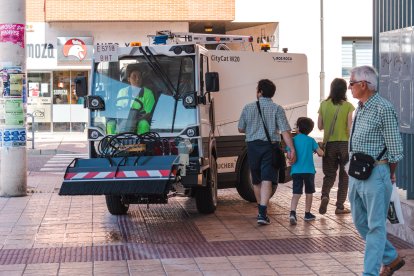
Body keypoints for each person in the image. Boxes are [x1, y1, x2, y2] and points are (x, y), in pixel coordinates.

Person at [348, 66, 404, 276]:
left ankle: (369, 273)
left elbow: (395, 149)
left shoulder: (383, 108)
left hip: (376, 174)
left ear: (364, 84)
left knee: (375, 227)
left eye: (351, 83)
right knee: (360, 223)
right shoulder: (360, 108)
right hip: (356, 173)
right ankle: (391, 258)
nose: (349, 87)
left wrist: (389, 173)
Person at [238, 79, 296, 225]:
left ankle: (261, 212)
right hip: (270, 147)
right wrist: (291, 149)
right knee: (267, 179)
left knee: (256, 180)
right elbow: (285, 132)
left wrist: (252, 128)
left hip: (252, 147)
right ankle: (262, 214)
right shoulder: (277, 109)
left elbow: (240, 128)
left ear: (260, 92)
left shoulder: (248, 107)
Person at [317, 78, 355, 215]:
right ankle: (339, 206)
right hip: (344, 144)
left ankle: (325, 196)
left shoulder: (324, 104)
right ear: (344, 90)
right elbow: (350, 128)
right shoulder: (349, 106)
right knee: (344, 176)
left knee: (329, 175)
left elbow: (320, 127)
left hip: (330, 144)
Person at [288, 117, 324, 225]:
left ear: (298, 128)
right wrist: (321, 150)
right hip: (309, 171)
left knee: (296, 193)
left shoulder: (293, 140)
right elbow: (321, 153)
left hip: (296, 171)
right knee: (309, 192)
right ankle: (307, 214)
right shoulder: (311, 140)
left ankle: (293, 213)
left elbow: (289, 156)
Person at [107, 64, 155, 135]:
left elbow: (148, 114)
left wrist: (134, 121)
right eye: (134, 77)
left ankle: (142, 144)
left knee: (144, 124)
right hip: (123, 120)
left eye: (139, 77)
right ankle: (112, 144)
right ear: (128, 79)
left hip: (139, 121)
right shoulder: (122, 92)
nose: (137, 79)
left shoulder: (148, 93)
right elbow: (118, 109)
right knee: (110, 124)